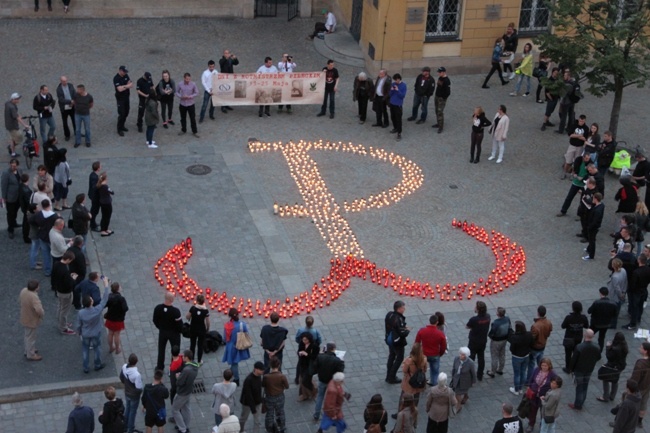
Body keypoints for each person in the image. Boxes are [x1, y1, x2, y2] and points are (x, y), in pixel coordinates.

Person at [76, 284, 110, 373]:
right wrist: (106, 286)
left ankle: (86, 367)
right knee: (97, 348)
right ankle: (97, 365)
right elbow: (104, 300)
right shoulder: (97, 310)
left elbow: (79, 324)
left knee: (85, 349)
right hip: (96, 332)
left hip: (85, 333)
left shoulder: (81, 313)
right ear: (91, 302)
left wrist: (79, 332)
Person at [568, 329, 601, 410]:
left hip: (579, 370)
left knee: (579, 386)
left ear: (584, 335)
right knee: (585, 385)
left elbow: (574, 359)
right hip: (589, 369)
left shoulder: (579, 347)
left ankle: (578, 404)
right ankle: (582, 400)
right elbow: (599, 357)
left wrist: (571, 369)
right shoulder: (596, 346)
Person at [392, 342, 427, 420]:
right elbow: (425, 370)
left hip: (409, 382)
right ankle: (413, 412)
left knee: (403, 397)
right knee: (416, 397)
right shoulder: (424, 359)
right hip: (418, 382)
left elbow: (404, 370)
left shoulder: (409, 360)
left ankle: (400, 413)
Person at [313, 342, 345, 422]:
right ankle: (332, 414)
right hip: (332, 382)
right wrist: (342, 362)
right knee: (332, 398)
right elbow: (340, 371)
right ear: (334, 349)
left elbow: (315, 367)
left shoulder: (320, 357)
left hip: (322, 380)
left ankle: (316, 414)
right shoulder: (337, 360)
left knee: (320, 396)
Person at [525, 358, 557, 432]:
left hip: (544, 397)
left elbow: (554, 386)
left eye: (546, 366)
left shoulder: (553, 374)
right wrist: (529, 387)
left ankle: (542, 426)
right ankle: (531, 424)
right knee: (532, 411)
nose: (544, 367)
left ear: (549, 366)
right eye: (542, 365)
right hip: (534, 395)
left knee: (543, 412)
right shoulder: (536, 370)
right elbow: (531, 379)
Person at [415, 314, 447, 386]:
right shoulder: (440, 334)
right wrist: (440, 354)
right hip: (435, 354)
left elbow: (417, 343)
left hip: (423, 354)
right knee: (435, 371)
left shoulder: (422, 331)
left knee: (421, 370)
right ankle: (434, 384)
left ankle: (421, 383)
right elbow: (443, 347)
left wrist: (418, 353)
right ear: (437, 322)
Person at [153, 292, 182, 371]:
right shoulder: (176, 311)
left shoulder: (158, 308)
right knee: (175, 351)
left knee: (161, 350)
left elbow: (155, 320)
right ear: (171, 299)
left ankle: (160, 367)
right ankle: (173, 367)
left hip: (163, 332)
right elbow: (180, 325)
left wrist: (160, 327)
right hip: (174, 334)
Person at [172, 350, 200, 433]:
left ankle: (182, 429)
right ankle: (185, 425)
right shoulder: (194, 365)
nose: (182, 357)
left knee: (175, 410)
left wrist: (178, 377)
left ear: (187, 358)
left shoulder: (187, 370)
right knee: (186, 408)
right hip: (188, 390)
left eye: (183, 356)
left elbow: (180, 382)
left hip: (182, 392)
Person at [222, 307, 251, 385]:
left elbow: (225, 338)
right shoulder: (242, 324)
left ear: (230, 316)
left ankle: (236, 379)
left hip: (231, 347)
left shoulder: (227, 326)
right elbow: (247, 333)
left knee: (234, 363)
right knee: (234, 363)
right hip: (240, 345)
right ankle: (232, 373)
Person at [52, 250, 79, 335]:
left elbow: (53, 277)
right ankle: (63, 328)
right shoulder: (65, 270)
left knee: (60, 307)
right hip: (66, 293)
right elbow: (69, 284)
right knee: (65, 310)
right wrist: (73, 278)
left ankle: (61, 322)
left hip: (59, 290)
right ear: (68, 259)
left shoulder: (56, 264)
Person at [598, 331, 628, 402]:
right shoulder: (624, 346)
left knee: (605, 379)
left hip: (612, 365)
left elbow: (609, 357)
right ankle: (612, 396)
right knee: (615, 380)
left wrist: (608, 347)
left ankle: (605, 396)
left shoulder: (615, 349)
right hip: (620, 366)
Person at [29, 198, 57, 275]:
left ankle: (47, 271)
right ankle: (56, 270)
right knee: (56, 254)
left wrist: (38, 226)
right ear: (49, 205)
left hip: (42, 236)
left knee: (45, 255)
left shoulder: (38, 214)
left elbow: (31, 220)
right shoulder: (54, 216)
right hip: (52, 237)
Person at [385, 300, 410, 384]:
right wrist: (407, 330)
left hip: (389, 339)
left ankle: (388, 375)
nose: (404, 309)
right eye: (403, 307)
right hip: (397, 342)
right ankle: (392, 377)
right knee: (399, 358)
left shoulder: (389, 314)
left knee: (391, 356)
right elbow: (402, 333)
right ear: (399, 309)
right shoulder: (398, 319)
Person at [262, 356, 289, 433]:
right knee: (280, 412)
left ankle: (270, 428)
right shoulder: (282, 376)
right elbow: (287, 386)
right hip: (280, 397)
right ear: (279, 365)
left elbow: (263, 385)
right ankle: (281, 427)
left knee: (269, 414)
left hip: (269, 397)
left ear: (270, 366)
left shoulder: (266, 377)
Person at [560, 301, 589, 373]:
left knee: (568, 354)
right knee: (576, 352)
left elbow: (563, 326)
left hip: (569, 338)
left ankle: (568, 368)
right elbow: (586, 326)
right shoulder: (583, 317)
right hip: (578, 338)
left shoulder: (569, 317)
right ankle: (575, 366)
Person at [19, 279, 44, 361]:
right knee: (31, 337)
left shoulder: (24, 290)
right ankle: (31, 354)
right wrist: (42, 314)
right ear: (36, 288)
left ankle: (28, 350)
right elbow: (39, 310)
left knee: (27, 335)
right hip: (31, 319)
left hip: (25, 316)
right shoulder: (34, 297)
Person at [466, 300, 491, 381]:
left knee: (471, 358)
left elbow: (467, 326)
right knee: (481, 358)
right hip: (483, 341)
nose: (474, 308)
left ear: (478, 309)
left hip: (473, 341)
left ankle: (470, 375)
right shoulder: (488, 317)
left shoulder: (474, 319)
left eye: (475, 307)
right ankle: (480, 375)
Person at [588, 286, 618, 351]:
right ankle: (600, 351)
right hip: (605, 324)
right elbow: (615, 314)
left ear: (600, 293)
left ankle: (585, 348)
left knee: (589, 335)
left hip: (595, 323)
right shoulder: (613, 304)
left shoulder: (597, 302)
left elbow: (589, 311)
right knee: (601, 338)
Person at [527, 305, 553, 381]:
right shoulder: (548, 322)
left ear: (538, 313)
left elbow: (532, 338)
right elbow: (549, 333)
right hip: (543, 346)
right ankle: (541, 378)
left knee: (531, 365)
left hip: (535, 348)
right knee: (541, 364)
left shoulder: (535, 326)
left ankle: (529, 380)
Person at [508, 320, 533, 395]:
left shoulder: (515, 337)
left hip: (517, 357)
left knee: (517, 374)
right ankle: (520, 389)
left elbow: (511, 349)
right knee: (523, 372)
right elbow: (531, 343)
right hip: (526, 356)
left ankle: (516, 390)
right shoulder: (529, 334)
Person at [120, 353, 144, 433]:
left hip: (127, 392)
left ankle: (124, 426)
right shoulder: (136, 375)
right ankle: (130, 429)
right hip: (134, 396)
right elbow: (138, 388)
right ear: (136, 362)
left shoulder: (124, 367)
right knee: (132, 412)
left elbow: (121, 377)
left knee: (127, 409)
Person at [239, 361, 265, 432]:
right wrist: (253, 409)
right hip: (247, 404)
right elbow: (248, 396)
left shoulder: (259, 377)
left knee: (257, 421)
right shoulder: (248, 380)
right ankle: (240, 430)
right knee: (243, 418)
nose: (262, 371)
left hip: (258, 402)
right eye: (261, 370)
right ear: (256, 369)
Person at [487, 307, 511, 377]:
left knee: (494, 356)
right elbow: (510, 328)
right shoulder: (507, 319)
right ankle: (500, 369)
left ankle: (492, 372)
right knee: (502, 354)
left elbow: (491, 333)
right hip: (504, 340)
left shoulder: (495, 323)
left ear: (498, 313)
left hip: (496, 341)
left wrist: (490, 337)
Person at [105, 282, 129, 354]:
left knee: (110, 333)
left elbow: (105, 305)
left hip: (110, 318)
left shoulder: (109, 296)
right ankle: (117, 349)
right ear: (118, 289)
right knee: (116, 334)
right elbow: (125, 309)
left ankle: (111, 348)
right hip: (118, 319)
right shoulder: (121, 299)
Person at [1, 158, 22, 238]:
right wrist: (4, 197)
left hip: (18, 196)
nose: (13, 167)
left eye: (15, 166)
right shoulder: (6, 173)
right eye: (12, 166)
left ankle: (14, 223)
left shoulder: (19, 170)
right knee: (10, 213)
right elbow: (3, 186)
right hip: (10, 197)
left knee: (15, 211)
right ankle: (10, 229)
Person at [630, 342, 650, 428]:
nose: (639, 348)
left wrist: (630, 388)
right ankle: (639, 421)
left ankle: (628, 421)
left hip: (639, 387)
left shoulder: (640, 364)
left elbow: (635, 379)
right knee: (643, 404)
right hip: (647, 386)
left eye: (641, 348)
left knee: (631, 403)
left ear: (645, 351)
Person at [186, 293, 210, 365]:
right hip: (201, 330)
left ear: (197, 301)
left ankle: (191, 359)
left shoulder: (193, 308)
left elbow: (187, 316)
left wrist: (190, 317)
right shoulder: (205, 311)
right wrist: (207, 329)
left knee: (192, 344)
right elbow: (207, 322)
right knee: (200, 345)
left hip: (193, 328)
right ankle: (199, 361)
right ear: (203, 302)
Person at [175, 73, 200, 137]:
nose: (188, 80)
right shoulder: (180, 84)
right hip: (183, 104)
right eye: (186, 79)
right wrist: (181, 96)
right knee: (183, 118)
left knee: (192, 118)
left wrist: (190, 96)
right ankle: (183, 129)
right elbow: (176, 92)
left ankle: (194, 131)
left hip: (191, 104)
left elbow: (196, 92)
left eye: (189, 79)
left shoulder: (193, 84)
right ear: (184, 78)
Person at [297, 331, 320, 401]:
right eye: (303, 339)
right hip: (302, 364)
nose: (304, 341)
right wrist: (300, 353)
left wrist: (307, 354)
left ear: (309, 339)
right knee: (301, 380)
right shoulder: (301, 343)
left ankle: (313, 389)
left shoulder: (314, 346)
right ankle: (304, 395)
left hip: (309, 365)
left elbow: (315, 357)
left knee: (305, 381)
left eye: (306, 340)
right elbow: (299, 350)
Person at [5, 93, 29, 157]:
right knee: (19, 137)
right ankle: (10, 147)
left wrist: (17, 115)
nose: (18, 100)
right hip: (13, 126)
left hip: (8, 124)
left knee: (13, 138)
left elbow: (14, 114)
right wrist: (25, 125)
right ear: (13, 99)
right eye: (17, 99)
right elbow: (17, 118)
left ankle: (13, 152)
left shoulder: (7, 103)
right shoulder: (12, 107)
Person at [584, 193, 605, 260]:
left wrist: (589, 226)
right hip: (595, 226)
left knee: (592, 240)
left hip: (593, 227)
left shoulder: (597, 211)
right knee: (591, 239)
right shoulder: (601, 206)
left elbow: (595, 221)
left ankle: (591, 255)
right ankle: (588, 249)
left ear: (596, 199)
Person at [113, 66, 133, 137]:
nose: (125, 73)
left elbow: (131, 84)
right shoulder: (116, 78)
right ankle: (119, 129)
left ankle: (123, 125)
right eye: (124, 71)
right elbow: (119, 89)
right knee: (122, 113)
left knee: (127, 112)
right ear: (120, 71)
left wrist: (124, 86)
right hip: (120, 98)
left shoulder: (126, 75)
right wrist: (127, 86)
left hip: (126, 97)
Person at [609, 258, 628, 328]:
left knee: (614, 310)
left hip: (615, 296)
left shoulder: (615, 277)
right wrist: (624, 291)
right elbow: (626, 281)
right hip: (622, 291)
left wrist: (621, 295)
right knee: (617, 308)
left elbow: (617, 289)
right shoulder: (623, 270)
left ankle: (612, 324)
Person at [56, 76, 76, 142]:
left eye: (66, 81)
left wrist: (73, 101)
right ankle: (67, 135)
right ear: (61, 81)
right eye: (63, 81)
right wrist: (70, 101)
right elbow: (61, 99)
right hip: (64, 108)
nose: (65, 82)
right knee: (65, 122)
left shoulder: (70, 85)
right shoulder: (59, 89)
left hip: (72, 106)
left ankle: (76, 132)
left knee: (75, 120)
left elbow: (74, 94)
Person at [432, 67, 451, 133]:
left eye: (439, 72)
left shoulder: (446, 80)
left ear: (443, 72)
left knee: (440, 112)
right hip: (437, 96)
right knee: (436, 110)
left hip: (441, 98)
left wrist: (443, 98)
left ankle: (440, 127)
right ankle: (438, 123)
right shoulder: (440, 78)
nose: (438, 73)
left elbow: (448, 92)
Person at [389, 73, 407, 141]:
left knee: (398, 119)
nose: (395, 82)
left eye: (396, 80)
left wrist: (398, 90)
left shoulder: (403, 85)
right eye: (395, 80)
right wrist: (391, 90)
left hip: (398, 104)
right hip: (392, 103)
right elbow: (390, 94)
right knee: (392, 117)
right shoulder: (393, 84)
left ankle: (399, 133)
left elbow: (402, 96)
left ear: (399, 79)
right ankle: (395, 128)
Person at [97, 172, 114, 237]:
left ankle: (105, 229)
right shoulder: (105, 186)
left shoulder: (99, 185)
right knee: (107, 216)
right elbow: (112, 192)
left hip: (102, 202)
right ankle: (103, 230)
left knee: (104, 216)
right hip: (107, 203)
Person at [88, 161, 101, 232]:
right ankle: (92, 225)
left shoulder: (93, 174)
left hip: (94, 196)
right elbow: (94, 187)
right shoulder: (94, 177)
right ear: (98, 168)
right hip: (95, 197)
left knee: (94, 210)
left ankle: (93, 223)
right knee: (94, 210)